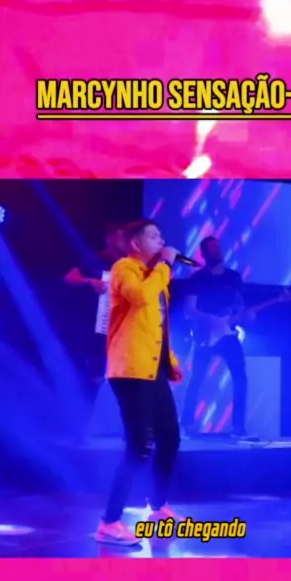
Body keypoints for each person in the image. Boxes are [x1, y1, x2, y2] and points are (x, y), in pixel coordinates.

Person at [95, 219, 184, 546]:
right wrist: (165, 266)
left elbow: (156, 326)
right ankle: (109, 522)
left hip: (153, 370)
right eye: (154, 236)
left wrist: (171, 361)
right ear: (136, 243)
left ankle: (157, 507)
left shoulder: (153, 275)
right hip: (130, 371)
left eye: (161, 235)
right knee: (139, 445)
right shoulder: (125, 269)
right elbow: (142, 298)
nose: (161, 240)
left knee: (170, 439)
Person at [181, 236, 251, 438]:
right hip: (205, 335)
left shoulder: (233, 277)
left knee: (240, 378)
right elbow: (189, 310)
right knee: (197, 378)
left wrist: (242, 315)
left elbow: (240, 304)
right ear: (204, 253)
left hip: (228, 335)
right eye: (212, 248)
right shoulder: (197, 279)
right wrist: (209, 319)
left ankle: (239, 427)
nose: (217, 251)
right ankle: (187, 423)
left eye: (218, 247)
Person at [63, 224, 126, 385]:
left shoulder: (130, 265)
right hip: (92, 326)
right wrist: (90, 281)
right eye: (121, 236)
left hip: (118, 330)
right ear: (110, 238)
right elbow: (69, 278)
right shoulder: (96, 259)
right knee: (90, 375)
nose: (124, 240)